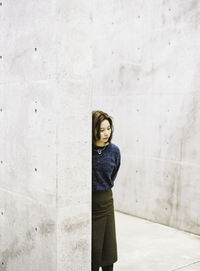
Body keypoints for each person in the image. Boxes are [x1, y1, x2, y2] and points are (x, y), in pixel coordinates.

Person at [92, 110, 121, 271]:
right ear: (94, 130)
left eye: (108, 129)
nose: (106, 133)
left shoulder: (114, 151)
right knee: (94, 251)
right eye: (101, 130)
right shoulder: (85, 151)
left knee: (108, 248)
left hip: (106, 201)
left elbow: (113, 173)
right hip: (89, 203)